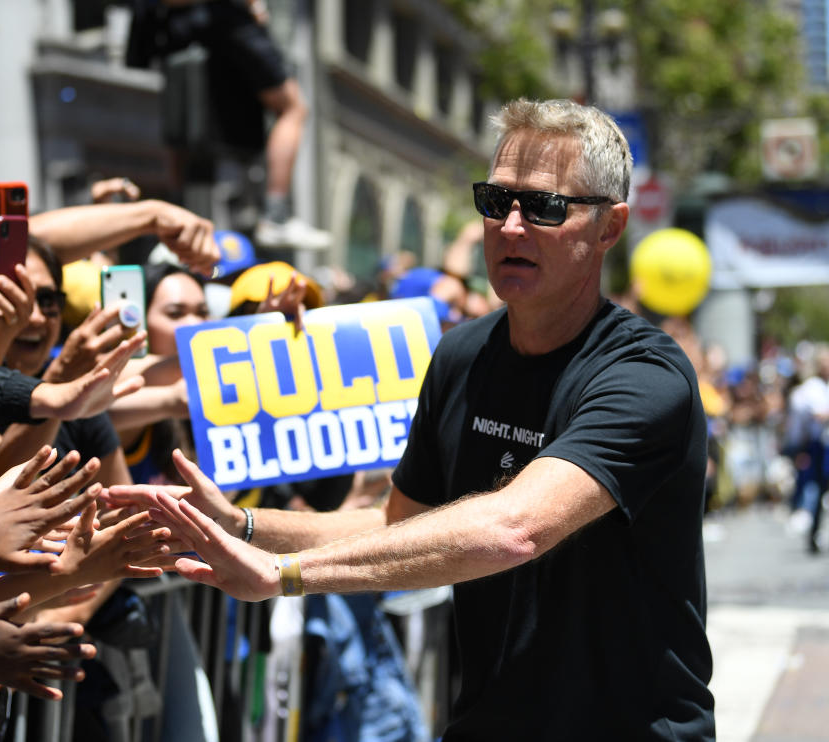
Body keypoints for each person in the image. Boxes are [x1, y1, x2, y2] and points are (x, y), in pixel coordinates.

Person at [111, 98, 715, 740]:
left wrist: (285, 577)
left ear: (609, 227)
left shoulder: (645, 375)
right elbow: (397, 523)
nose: (510, 227)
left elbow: (515, 529)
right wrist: (248, 525)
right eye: (495, 201)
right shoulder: (461, 354)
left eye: (542, 207)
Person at [146, 0, 329, 250]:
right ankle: (276, 216)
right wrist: (253, 0)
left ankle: (175, 219)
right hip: (217, 13)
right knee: (293, 107)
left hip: (173, 21)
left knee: (187, 126)